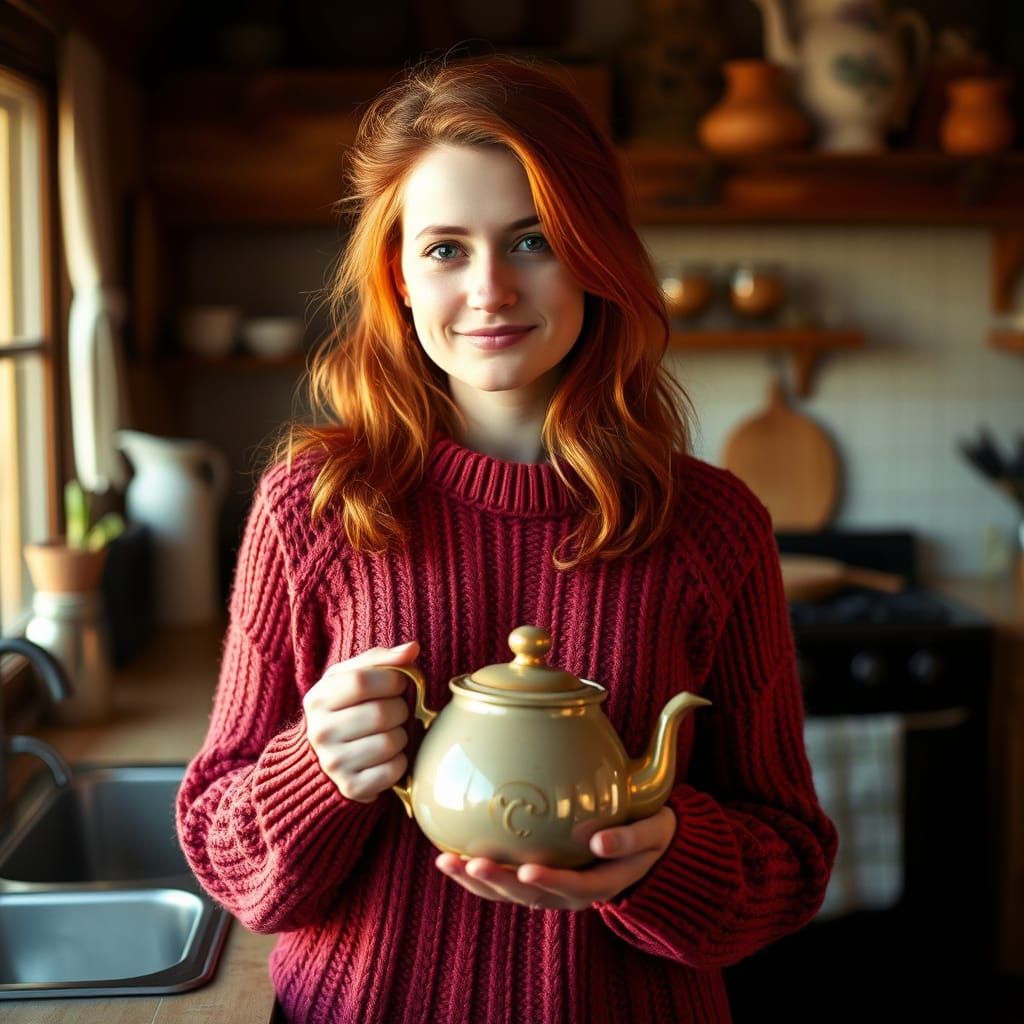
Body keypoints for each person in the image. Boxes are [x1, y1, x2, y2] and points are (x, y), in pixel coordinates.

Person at [176, 54, 837, 1024]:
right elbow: (225, 856)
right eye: (445, 248)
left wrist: (658, 859)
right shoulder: (309, 508)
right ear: (396, 274)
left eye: (532, 239)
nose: (489, 288)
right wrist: (315, 772)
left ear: (595, 253)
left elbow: (790, 860)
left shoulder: (714, 526)